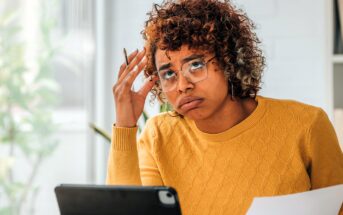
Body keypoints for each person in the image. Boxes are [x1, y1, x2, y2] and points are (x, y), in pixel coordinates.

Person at [106, 0, 343, 214]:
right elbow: (123, 212)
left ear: (229, 60)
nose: (182, 85)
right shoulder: (159, 135)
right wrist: (125, 125)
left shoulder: (307, 125)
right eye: (168, 73)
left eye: (196, 65)